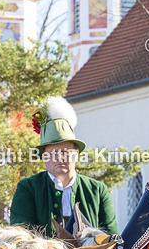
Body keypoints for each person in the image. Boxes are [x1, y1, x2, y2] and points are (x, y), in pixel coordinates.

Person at [10, 96, 118, 238]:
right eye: (53, 153)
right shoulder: (28, 188)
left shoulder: (97, 190)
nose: (59, 158)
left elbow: (112, 239)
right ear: (44, 157)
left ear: (76, 154)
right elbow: (22, 238)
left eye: (65, 152)